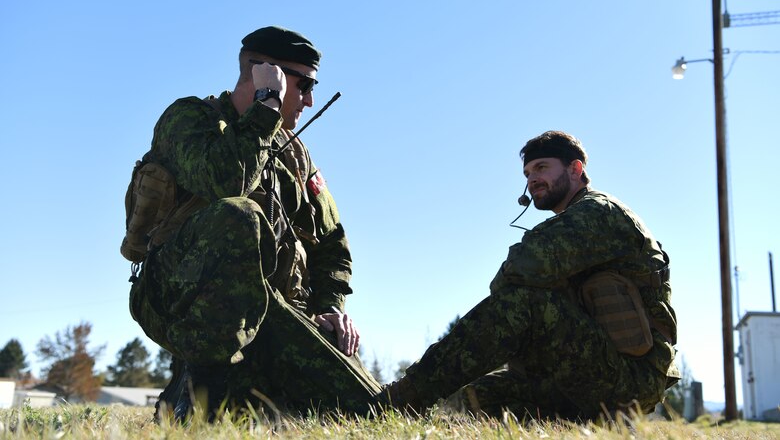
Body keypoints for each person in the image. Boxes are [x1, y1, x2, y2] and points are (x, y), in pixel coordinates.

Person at [122, 26, 381, 420]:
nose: (310, 100)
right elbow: (229, 183)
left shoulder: (295, 155)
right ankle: (199, 395)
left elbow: (332, 245)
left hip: (267, 312)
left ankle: (212, 392)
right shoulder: (188, 119)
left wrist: (329, 307)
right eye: (304, 84)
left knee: (366, 407)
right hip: (174, 298)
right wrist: (266, 107)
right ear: (267, 74)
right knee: (238, 214)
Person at [385, 131, 680, 420]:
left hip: (630, 377)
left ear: (575, 169)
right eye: (527, 174)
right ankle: (585, 423)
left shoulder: (599, 213)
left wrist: (515, 281)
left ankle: (400, 398)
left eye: (541, 168)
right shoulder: (574, 220)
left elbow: (525, 264)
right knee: (478, 398)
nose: (531, 180)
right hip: (587, 372)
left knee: (523, 302)